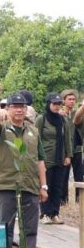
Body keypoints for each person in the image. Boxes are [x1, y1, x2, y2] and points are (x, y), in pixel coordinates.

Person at [0, 92, 48, 248]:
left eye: (21, 106)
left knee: (29, 229)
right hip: (6, 184)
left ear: (26, 109)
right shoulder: (2, 127)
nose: (18, 110)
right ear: (8, 109)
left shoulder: (33, 131)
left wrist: (43, 185)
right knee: (4, 228)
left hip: (29, 186)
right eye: (14, 106)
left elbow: (40, 160)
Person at [35, 93, 72, 225]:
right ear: (48, 104)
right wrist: (37, 157)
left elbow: (67, 138)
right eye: (54, 104)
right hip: (45, 159)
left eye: (58, 104)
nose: (57, 107)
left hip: (60, 158)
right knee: (46, 186)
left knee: (58, 187)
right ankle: (45, 213)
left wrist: (68, 155)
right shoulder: (41, 119)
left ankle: (55, 213)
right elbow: (35, 138)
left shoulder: (63, 120)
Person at [60, 89, 78, 205]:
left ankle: (79, 199)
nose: (72, 101)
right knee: (64, 176)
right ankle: (63, 200)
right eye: (69, 99)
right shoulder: (60, 114)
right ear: (63, 101)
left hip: (77, 149)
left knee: (79, 176)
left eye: (73, 99)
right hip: (65, 150)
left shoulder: (77, 114)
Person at [72, 95, 84, 202]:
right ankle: (79, 200)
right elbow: (76, 119)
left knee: (80, 175)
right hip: (73, 149)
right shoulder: (80, 117)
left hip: (79, 149)